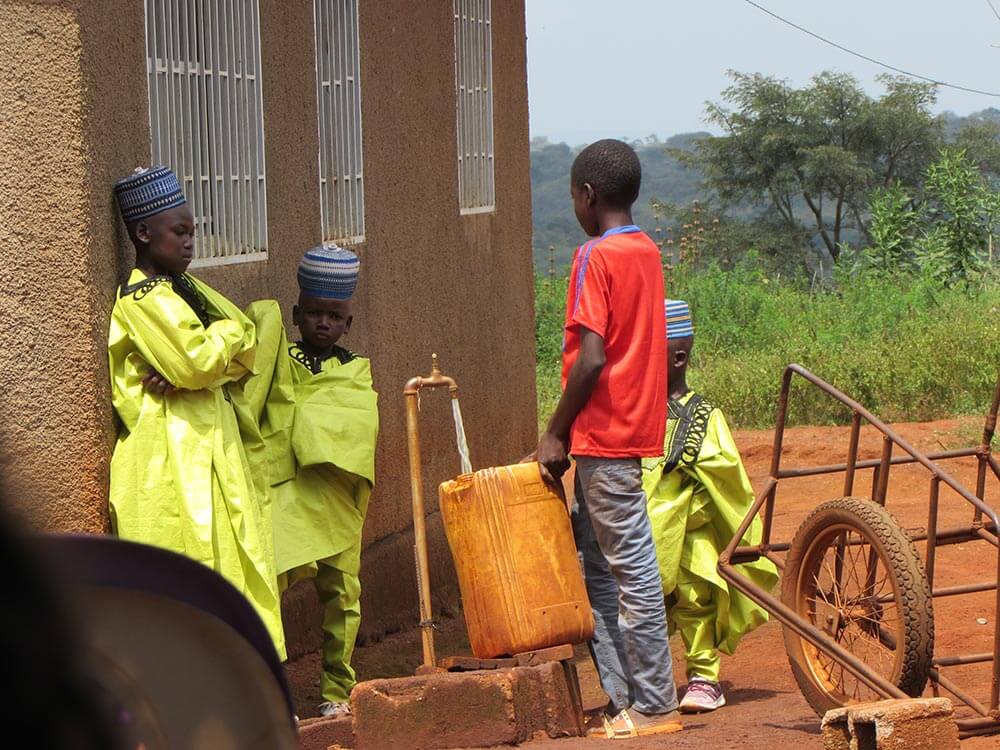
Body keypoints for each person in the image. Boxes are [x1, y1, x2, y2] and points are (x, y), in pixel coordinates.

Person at [107, 165, 285, 659]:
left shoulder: (186, 289)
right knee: (188, 570)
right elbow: (200, 359)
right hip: (172, 455)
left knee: (231, 562)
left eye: (193, 232)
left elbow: (245, 338)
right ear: (144, 233)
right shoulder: (142, 298)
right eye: (179, 232)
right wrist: (215, 354)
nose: (190, 244)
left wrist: (212, 359)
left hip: (208, 444)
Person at [536, 139, 680, 738]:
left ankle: (654, 703)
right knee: (597, 569)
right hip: (627, 435)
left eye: (573, 196)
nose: (574, 205)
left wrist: (554, 431)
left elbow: (591, 359)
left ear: (588, 197)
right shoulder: (647, 252)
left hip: (603, 438)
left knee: (631, 571)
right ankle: (625, 697)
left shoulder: (594, 258)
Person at [642, 300, 778, 713]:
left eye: (649, 352)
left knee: (695, 599)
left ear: (679, 356)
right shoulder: (639, 413)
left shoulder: (704, 415)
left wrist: (688, 469)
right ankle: (651, 680)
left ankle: (704, 677)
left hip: (692, 532)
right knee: (643, 605)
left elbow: (728, 477)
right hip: (644, 532)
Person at [264, 244, 378, 719]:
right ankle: (271, 693)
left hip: (334, 496)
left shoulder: (354, 374)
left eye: (334, 316)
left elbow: (358, 431)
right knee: (268, 589)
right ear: (296, 314)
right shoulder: (279, 361)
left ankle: (336, 689)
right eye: (313, 313)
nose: (323, 324)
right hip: (290, 494)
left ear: (348, 323)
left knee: (342, 596)